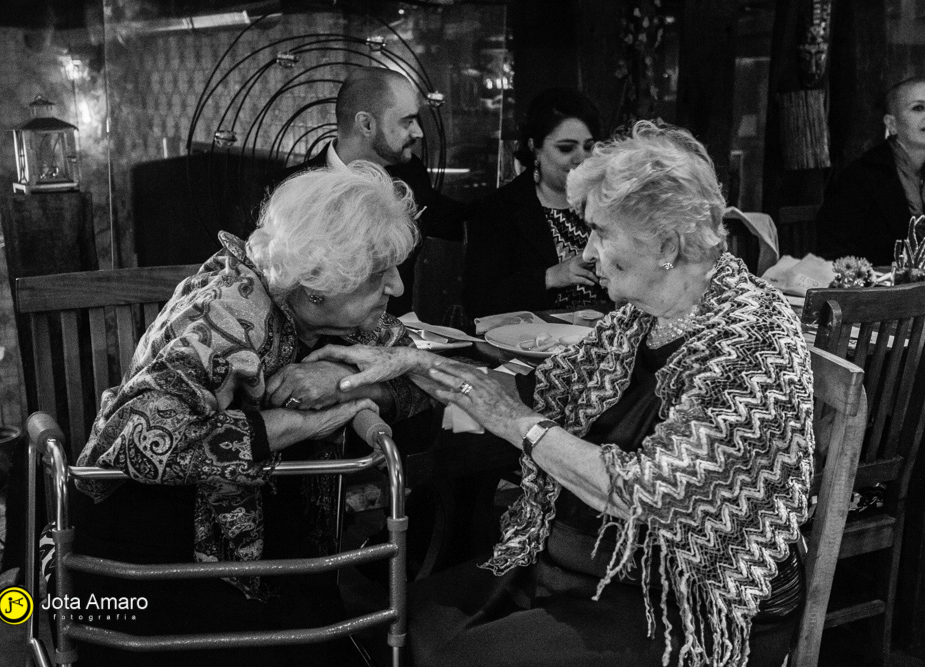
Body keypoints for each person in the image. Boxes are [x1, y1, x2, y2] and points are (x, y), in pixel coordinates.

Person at [309, 121, 814, 667]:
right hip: (591, 560)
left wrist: (518, 424)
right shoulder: (639, 321)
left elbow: (646, 491)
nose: (590, 252)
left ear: (667, 245)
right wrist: (406, 365)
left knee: (458, 655)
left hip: (680, 594)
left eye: (601, 231)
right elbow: (526, 388)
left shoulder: (752, 342)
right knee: (405, 613)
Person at [67, 162, 432, 665]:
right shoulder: (227, 312)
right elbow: (134, 438)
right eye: (379, 272)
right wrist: (296, 424)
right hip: (152, 567)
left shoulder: (333, 313)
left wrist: (338, 380)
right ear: (318, 279)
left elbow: (425, 371)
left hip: (265, 558)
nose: (396, 287)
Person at [266, 66, 468, 317]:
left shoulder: (411, 175)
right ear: (366, 124)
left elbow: (455, 219)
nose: (418, 132)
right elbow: (266, 285)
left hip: (393, 336)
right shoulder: (283, 189)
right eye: (407, 121)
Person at [462, 88, 610, 319]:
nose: (582, 158)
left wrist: (668, 267)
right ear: (534, 147)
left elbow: (663, 267)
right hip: (530, 343)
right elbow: (477, 301)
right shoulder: (501, 209)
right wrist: (549, 278)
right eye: (566, 148)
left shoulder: (611, 202)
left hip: (610, 335)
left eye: (589, 146)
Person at [817, 76, 925, 264]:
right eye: (918, 108)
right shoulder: (861, 177)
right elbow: (833, 249)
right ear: (892, 124)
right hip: (875, 288)